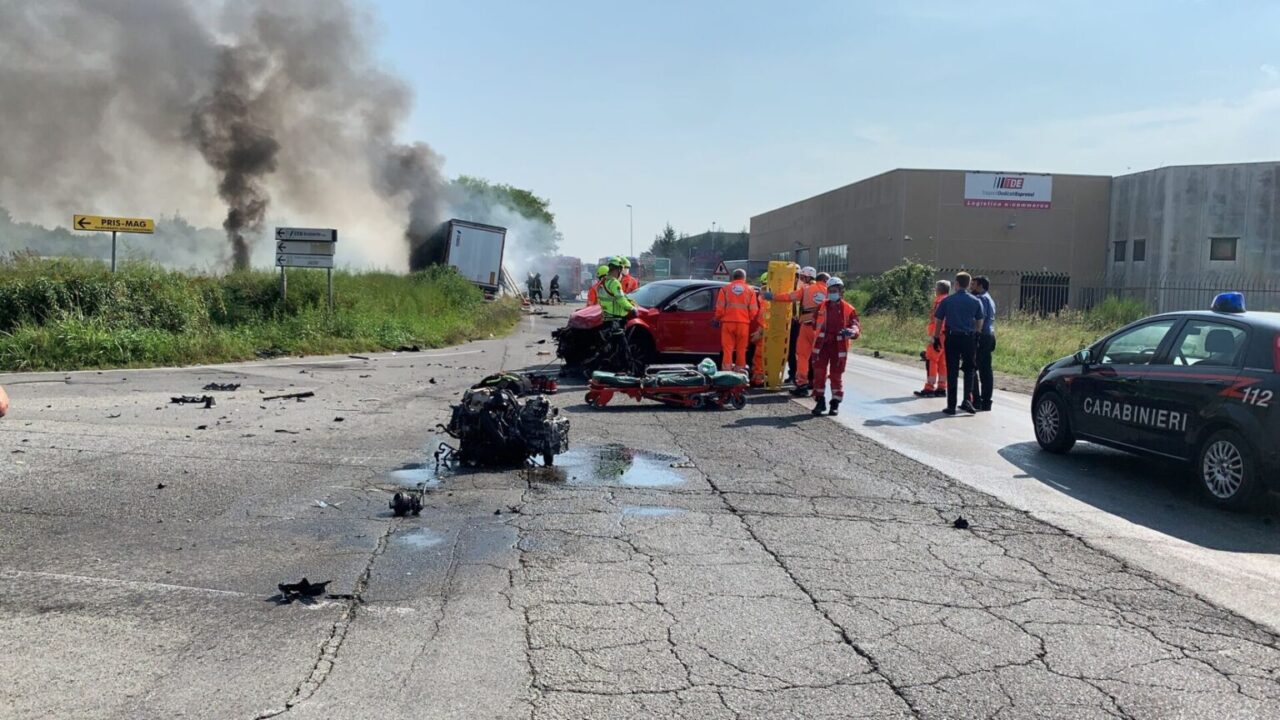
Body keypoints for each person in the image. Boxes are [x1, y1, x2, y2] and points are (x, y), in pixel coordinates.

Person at [763, 266, 825, 397]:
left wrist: (773, 296)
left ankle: (802, 384)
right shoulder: (828, 292)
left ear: (808, 277)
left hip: (806, 327)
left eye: (802, 277)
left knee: (802, 356)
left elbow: (789, 297)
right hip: (821, 330)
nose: (800, 280)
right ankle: (817, 385)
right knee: (819, 358)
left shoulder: (806, 289)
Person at [931, 271, 986, 415]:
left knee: (952, 371)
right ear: (968, 285)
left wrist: (936, 337)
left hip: (952, 338)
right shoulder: (975, 301)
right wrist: (977, 334)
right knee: (969, 370)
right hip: (968, 338)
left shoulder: (948, 301)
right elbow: (980, 320)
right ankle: (967, 400)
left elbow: (938, 320)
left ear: (956, 284)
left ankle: (951, 405)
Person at [810, 277, 860, 416]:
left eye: (835, 291)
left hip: (839, 347)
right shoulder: (821, 307)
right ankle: (819, 401)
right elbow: (815, 322)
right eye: (830, 290)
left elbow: (855, 324)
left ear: (841, 292)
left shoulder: (849, 309)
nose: (832, 293)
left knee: (836, 376)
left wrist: (852, 331)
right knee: (819, 374)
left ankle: (835, 403)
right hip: (822, 345)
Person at [713, 268, 759, 373]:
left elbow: (719, 308)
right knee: (741, 350)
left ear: (732, 277)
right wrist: (748, 318)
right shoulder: (750, 290)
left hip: (728, 324)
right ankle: (740, 372)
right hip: (743, 324)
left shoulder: (725, 289)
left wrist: (717, 318)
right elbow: (754, 310)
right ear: (744, 278)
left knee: (727, 349)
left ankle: (726, 372)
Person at [914, 280, 951, 398]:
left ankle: (929, 387)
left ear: (939, 289)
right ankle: (942, 387)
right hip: (946, 335)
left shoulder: (939, 301)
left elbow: (939, 320)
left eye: (935, 288)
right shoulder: (949, 300)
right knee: (943, 362)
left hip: (938, 334)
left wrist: (935, 337)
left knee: (931, 359)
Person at [972, 276, 997, 411]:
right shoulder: (989, 298)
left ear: (980, 285)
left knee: (973, 367)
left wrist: (975, 337)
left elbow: (979, 319)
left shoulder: (981, 299)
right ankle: (986, 401)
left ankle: (976, 400)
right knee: (986, 369)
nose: (971, 287)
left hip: (981, 336)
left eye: (974, 284)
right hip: (989, 335)